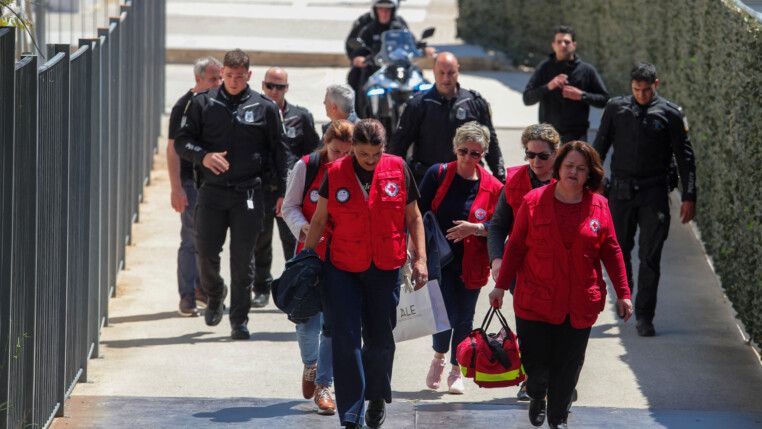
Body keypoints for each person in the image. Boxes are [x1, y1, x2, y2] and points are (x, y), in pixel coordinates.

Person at [489, 141, 633, 429]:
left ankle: (558, 418)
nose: (574, 172)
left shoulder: (600, 206)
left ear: (589, 174)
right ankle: (537, 394)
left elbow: (612, 250)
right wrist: (501, 286)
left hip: (578, 302)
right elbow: (515, 247)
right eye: (569, 166)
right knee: (536, 364)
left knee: (568, 366)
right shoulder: (533, 201)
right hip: (535, 301)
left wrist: (624, 294)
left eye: (581, 168)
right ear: (558, 168)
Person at [303, 119, 428, 429]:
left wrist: (421, 259)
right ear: (353, 149)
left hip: (385, 266)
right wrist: (306, 261)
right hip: (342, 268)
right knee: (345, 339)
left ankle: (375, 395)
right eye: (362, 154)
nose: (370, 161)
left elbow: (413, 218)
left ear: (383, 148)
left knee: (380, 339)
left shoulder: (398, 168)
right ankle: (351, 413)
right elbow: (319, 221)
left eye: (375, 154)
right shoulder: (335, 174)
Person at [174, 49, 289, 340]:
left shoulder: (264, 107)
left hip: (248, 193)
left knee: (243, 259)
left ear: (249, 75)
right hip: (212, 192)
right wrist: (204, 156)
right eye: (229, 76)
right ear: (222, 73)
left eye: (240, 76)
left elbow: (279, 152)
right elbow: (182, 143)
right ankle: (215, 294)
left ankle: (239, 319)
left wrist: (282, 192)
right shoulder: (203, 103)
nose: (235, 81)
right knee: (206, 252)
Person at [593, 62, 697, 337]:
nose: (641, 94)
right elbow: (599, 148)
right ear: (631, 87)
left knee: (650, 257)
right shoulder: (616, 108)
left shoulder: (670, 113)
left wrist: (689, 195)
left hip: (653, 192)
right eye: (636, 89)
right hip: (621, 191)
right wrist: (593, 185)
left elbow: (686, 157)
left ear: (656, 85)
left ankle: (644, 315)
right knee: (620, 250)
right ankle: (626, 298)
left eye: (646, 90)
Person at [417, 121, 503, 394]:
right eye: (463, 151)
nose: (468, 157)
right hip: (438, 261)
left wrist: (475, 229)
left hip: (471, 264)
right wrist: (414, 250)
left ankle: (457, 370)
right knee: (441, 316)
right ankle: (439, 358)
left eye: (475, 153)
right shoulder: (438, 174)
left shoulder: (493, 187)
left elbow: (500, 227)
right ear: (455, 149)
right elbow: (416, 213)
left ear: (483, 155)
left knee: (464, 318)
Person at [281, 120, 355, 416]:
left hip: (343, 256)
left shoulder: (355, 168)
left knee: (333, 324)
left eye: (346, 152)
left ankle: (325, 384)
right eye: (336, 151)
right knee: (306, 323)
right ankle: (310, 363)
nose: (341, 157)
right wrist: (304, 229)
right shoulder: (307, 167)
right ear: (326, 144)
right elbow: (289, 207)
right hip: (310, 256)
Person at [487, 123, 559, 401]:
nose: (535, 162)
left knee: (558, 328)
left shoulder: (569, 178)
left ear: (556, 154)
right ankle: (532, 380)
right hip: (523, 269)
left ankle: (559, 379)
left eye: (542, 156)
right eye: (530, 155)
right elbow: (497, 226)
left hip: (558, 267)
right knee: (529, 328)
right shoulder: (515, 181)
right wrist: (496, 260)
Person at [251, 67, 321, 308]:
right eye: (269, 85)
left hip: (291, 191)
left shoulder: (300, 116)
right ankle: (261, 286)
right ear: (262, 85)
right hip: (261, 187)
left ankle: (294, 285)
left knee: (293, 240)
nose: (273, 91)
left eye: (279, 87)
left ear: (286, 89)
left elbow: (313, 151)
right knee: (260, 240)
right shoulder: (254, 112)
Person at [390, 52, 506, 184]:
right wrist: (393, 179)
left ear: (458, 70)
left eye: (451, 73)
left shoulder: (474, 103)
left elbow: (491, 142)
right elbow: (399, 145)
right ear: (434, 72)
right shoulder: (419, 105)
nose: (446, 78)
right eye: (441, 73)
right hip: (428, 181)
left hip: (466, 181)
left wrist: (500, 177)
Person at [167, 56, 222, 316]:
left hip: (213, 183)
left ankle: (203, 290)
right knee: (191, 238)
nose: (218, 83)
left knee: (208, 240)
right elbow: (172, 149)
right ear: (198, 79)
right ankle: (187, 296)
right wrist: (176, 188)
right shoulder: (184, 106)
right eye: (213, 78)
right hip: (191, 182)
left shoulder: (218, 103)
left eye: (220, 77)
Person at [522, 26, 609, 143]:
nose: (563, 45)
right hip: (548, 136)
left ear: (574, 45)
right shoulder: (544, 68)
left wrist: (582, 95)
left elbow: (604, 100)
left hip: (576, 137)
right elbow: (527, 98)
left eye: (567, 42)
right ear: (553, 45)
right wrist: (549, 86)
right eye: (559, 42)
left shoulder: (587, 70)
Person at [346, 0, 408, 111]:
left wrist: (423, 49)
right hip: (373, 68)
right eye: (381, 9)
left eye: (387, 10)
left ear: (393, 10)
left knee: (418, 76)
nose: (384, 13)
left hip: (396, 68)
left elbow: (410, 43)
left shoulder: (399, 25)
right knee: (354, 77)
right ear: (375, 10)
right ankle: (357, 113)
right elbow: (355, 47)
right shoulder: (366, 27)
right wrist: (357, 58)